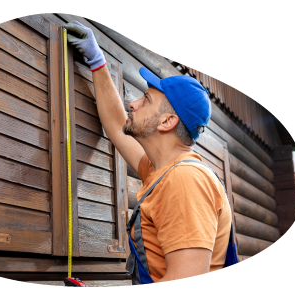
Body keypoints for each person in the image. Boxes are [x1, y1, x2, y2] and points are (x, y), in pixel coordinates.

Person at [64, 21, 233, 284]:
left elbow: (186, 282)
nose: (133, 103)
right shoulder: (161, 172)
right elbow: (117, 129)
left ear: (167, 122)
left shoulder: (185, 180)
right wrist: (97, 61)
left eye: (146, 100)